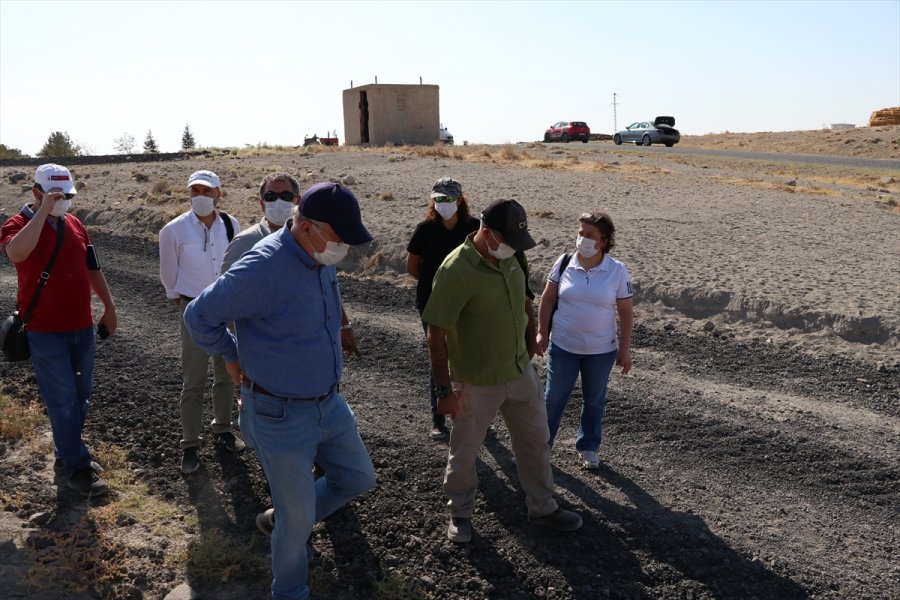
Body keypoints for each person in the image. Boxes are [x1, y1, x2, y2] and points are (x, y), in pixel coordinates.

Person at [183, 182, 376, 600]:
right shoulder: (262, 268)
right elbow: (198, 316)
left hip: (328, 403)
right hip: (280, 413)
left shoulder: (318, 254)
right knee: (297, 519)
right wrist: (231, 357)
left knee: (358, 477)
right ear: (306, 227)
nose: (343, 247)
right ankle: (289, 590)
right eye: (339, 237)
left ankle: (286, 519)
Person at [423, 199, 583, 543]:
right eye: (507, 240)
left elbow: (524, 301)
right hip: (475, 380)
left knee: (536, 441)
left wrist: (530, 340)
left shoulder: (512, 256)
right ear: (487, 232)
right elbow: (435, 334)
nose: (512, 247)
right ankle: (460, 512)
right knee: (465, 451)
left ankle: (543, 507)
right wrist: (444, 391)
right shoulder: (455, 269)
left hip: (519, 371)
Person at [0, 163, 117, 498]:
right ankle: (77, 467)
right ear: (36, 192)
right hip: (44, 330)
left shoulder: (75, 224)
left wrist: (109, 307)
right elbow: (17, 252)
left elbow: (92, 268)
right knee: (62, 399)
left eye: (67, 195)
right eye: (55, 195)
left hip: (81, 326)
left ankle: (66, 451)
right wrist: (44, 212)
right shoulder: (16, 224)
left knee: (81, 395)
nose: (62, 200)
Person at [158, 170, 244, 475]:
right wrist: (182, 301)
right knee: (193, 379)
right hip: (193, 308)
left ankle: (223, 428)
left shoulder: (232, 225)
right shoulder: (173, 230)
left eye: (207, 191)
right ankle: (190, 444)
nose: (200, 197)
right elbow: (168, 275)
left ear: (218, 194)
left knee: (228, 371)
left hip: (226, 306)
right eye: (195, 191)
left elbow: (238, 265)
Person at [536, 212, 634, 470]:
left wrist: (624, 349)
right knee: (553, 398)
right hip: (563, 345)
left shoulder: (617, 270)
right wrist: (541, 332)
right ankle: (540, 446)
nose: (583, 239)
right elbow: (548, 299)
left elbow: (626, 312)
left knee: (594, 399)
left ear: (604, 241)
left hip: (601, 350)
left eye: (590, 235)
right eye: (581, 233)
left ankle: (588, 446)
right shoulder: (564, 262)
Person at [406, 177, 479, 440]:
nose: (443, 203)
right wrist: (437, 287)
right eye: (438, 199)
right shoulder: (425, 229)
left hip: (467, 304)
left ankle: (471, 413)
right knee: (439, 355)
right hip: (431, 302)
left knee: (468, 356)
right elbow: (413, 267)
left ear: (459, 200)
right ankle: (438, 418)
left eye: (448, 198)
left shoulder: (474, 228)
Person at [221, 172, 300, 274]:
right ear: (262, 204)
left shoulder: (311, 237)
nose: (279, 202)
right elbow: (227, 282)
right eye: (270, 196)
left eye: (286, 196)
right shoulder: (244, 242)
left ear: (298, 201)